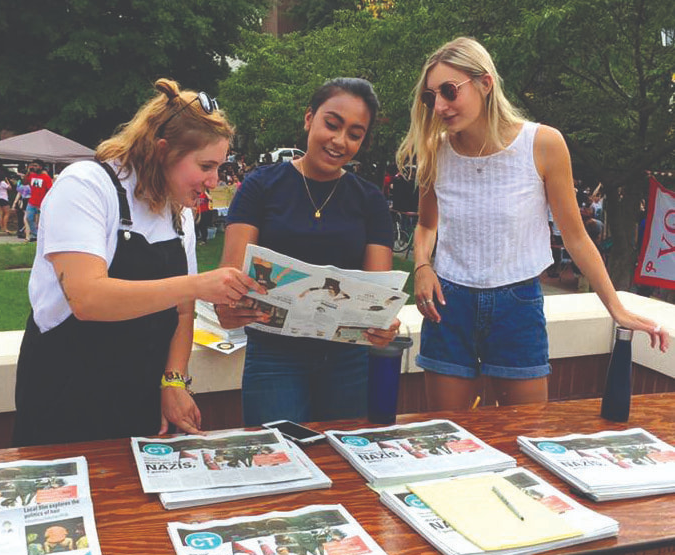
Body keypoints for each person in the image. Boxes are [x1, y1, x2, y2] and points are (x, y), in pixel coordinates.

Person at [396, 36, 669, 415]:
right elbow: (427, 226)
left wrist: (616, 308)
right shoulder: (434, 149)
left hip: (517, 304)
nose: (439, 106)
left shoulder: (541, 144)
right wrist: (423, 266)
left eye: (449, 91)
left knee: (522, 435)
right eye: (431, 97)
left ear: (485, 83)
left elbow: (575, 236)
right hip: (449, 304)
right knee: (450, 436)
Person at [12, 78, 263, 447]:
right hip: (65, 396)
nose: (214, 180)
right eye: (206, 166)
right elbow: (87, 298)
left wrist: (174, 379)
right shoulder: (85, 186)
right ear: (163, 151)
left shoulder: (179, 216)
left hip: (140, 398)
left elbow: (181, 313)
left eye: (219, 167)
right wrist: (198, 284)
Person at [216, 77, 399, 426]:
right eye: (332, 124)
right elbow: (228, 275)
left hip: (349, 359)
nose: (339, 141)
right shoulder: (260, 186)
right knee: (277, 458)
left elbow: (378, 292)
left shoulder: (370, 200)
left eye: (355, 134)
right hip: (274, 355)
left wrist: (382, 324)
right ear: (308, 119)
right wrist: (228, 306)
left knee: (347, 460)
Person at [24, 159, 53, 242]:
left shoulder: (46, 178)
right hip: (32, 202)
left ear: (41, 167)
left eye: (36, 166)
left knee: (41, 222)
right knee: (29, 218)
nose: (34, 167)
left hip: (41, 203)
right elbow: (24, 182)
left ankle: (39, 236)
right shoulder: (31, 175)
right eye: (33, 165)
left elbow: (49, 190)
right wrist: (28, 172)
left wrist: (46, 202)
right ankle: (35, 234)